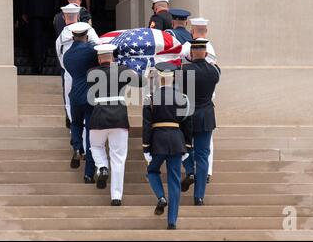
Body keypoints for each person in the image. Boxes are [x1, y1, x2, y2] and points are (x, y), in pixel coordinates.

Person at [88, 44, 145, 206]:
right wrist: (130, 69)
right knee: (118, 158)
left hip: (99, 116)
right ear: (112, 57)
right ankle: (116, 196)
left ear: (99, 58)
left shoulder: (91, 72)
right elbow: (141, 82)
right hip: (119, 117)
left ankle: (102, 167)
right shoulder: (122, 70)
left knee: (96, 146)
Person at [143, 62, 193, 230]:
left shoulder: (150, 98)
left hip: (158, 140)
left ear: (158, 77)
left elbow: (147, 125)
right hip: (177, 140)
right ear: (173, 78)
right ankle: (172, 221)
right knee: (174, 180)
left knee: (152, 171)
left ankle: (160, 197)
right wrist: (187, 145)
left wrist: (145, 147)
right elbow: (187, 123)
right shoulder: (183, 98)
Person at [181, 40, 221, 206]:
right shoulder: (215, 71)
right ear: (205, 53)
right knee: (203, 155)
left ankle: (190, 171)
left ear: (191, 53)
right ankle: (199, 197)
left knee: (183, 148)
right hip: (206, 117)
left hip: (188, 116)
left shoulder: (184, 71)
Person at [63, 22, 99, 183]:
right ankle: (88, 173)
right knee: (91, 134)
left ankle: (77, 148)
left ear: (72, 37)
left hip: (75, 94)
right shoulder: (91, 51)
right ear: (86, 35)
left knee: (76, 124)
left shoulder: (67, 55)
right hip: (90, 94)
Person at [55, 4, 100, 124]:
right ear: (79, 16)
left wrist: (67, 68)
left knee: (70, 102)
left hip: (70, 72)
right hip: (88, 71)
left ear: (64, 17)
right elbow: (98, 47)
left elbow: (60, 57)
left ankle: (74, 126)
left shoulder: (61, 36)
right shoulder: (87, 29)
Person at [20, 0, 57, 74]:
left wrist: (23, 11)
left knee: (36, 38)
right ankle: (43, 58)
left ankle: (38, 65)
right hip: (48, 10)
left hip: (33, 10)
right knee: (45, 36)